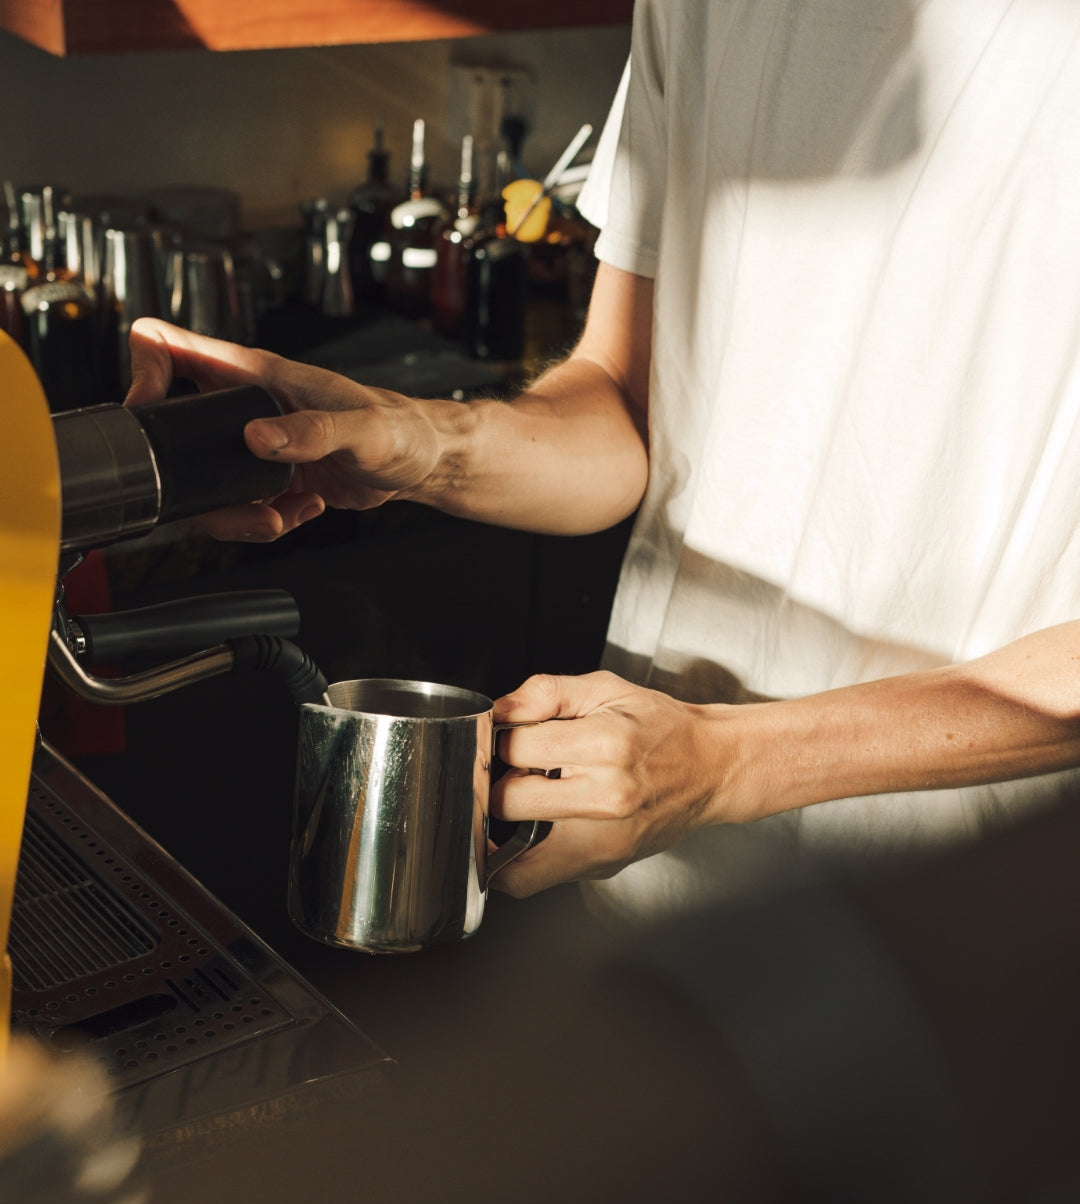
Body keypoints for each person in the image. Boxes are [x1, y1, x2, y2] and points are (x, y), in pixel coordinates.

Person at [127, 0, 1080, 922]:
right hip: (668, 878)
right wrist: (419, 440)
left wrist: (731, 761)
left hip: (977, 925)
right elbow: (628, 407)